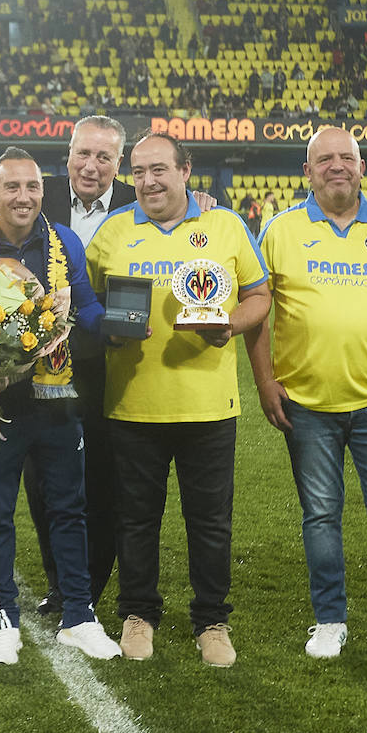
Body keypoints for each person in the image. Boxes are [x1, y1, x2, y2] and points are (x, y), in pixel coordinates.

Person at [244, 127, 367, 667]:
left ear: (362, 167)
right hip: (306, 405)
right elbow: (257, 311)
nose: (337, 166)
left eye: (347, 158)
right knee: (321, 517)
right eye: (324, 159)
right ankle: (330, 619)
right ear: (306, 172)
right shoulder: (280, 230)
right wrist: (265, 381)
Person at [84, 130, 270, 666]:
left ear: (185, 171)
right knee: (136, 520)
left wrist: (230, 325)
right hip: (132, 404)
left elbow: (259, 294)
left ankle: (212, 621)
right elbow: (90, 303)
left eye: (158, 169)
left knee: (210, 522)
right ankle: (138, 614)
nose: (147, 181)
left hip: (208, 406)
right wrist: (109, 330)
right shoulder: (113, 232)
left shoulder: (226, 224)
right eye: (138, 172)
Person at [0, 147, 122, 666]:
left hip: (57, 399)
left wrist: (112, 326)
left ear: (42, 193)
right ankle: (4, 620)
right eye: (12, 188)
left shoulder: (63, 242)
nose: (23, 197)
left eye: (32, 188)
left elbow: (85, 305)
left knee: (69, 509)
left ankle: (79, 617)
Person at [24, 115, 135, 615]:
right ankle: (59, 580)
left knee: (106, 478)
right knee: (44, 476)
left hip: (113, 364)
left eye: (104, 157)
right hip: (42, 365)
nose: (91, 166)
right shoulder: (34, 195)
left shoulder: (141, 200)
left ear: (120, 162)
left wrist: (206, 204)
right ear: (67, 154)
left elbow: (187, 218)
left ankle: (88, 586)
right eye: (83, 154)